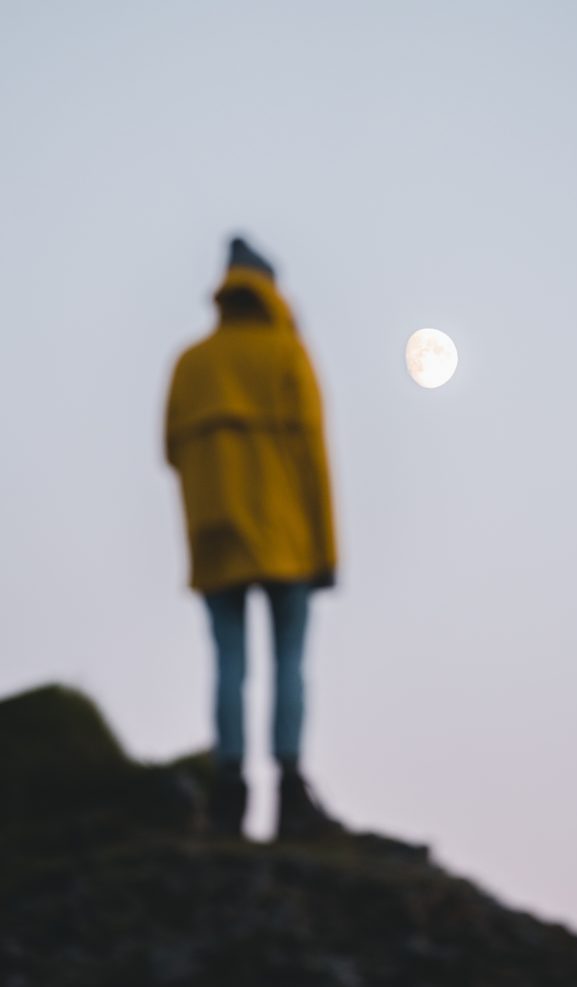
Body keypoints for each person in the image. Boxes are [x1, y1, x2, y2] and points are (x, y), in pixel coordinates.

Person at [164, 236, 344, 840]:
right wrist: (326, 552)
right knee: (289, 660)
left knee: (229, 663)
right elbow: (315, 459)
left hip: (216, 541)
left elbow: (170, 450)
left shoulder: (191, 363)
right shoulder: (288, 355)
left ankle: (227, 789)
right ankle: (291, 786)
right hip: (288, 539)